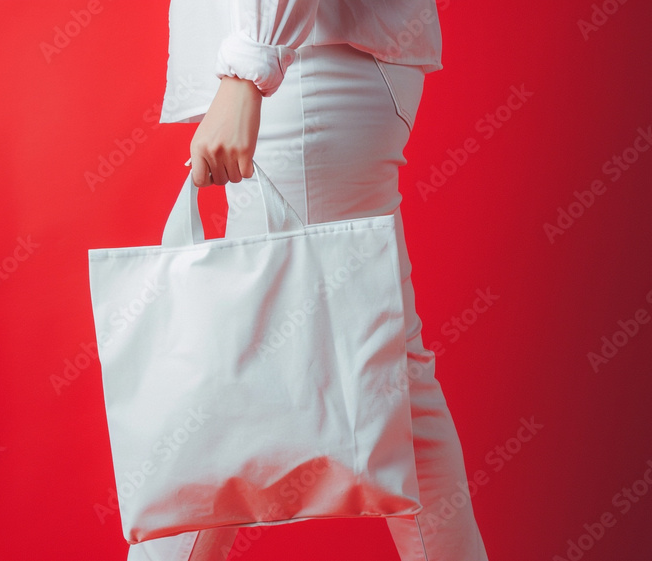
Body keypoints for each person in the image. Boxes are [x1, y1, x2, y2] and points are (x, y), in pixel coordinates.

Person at [129, 1, 489, 559]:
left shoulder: (269, 62)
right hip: (305, 61)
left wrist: (250, 69)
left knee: (360, 381)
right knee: (382, 380)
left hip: (304, 67)